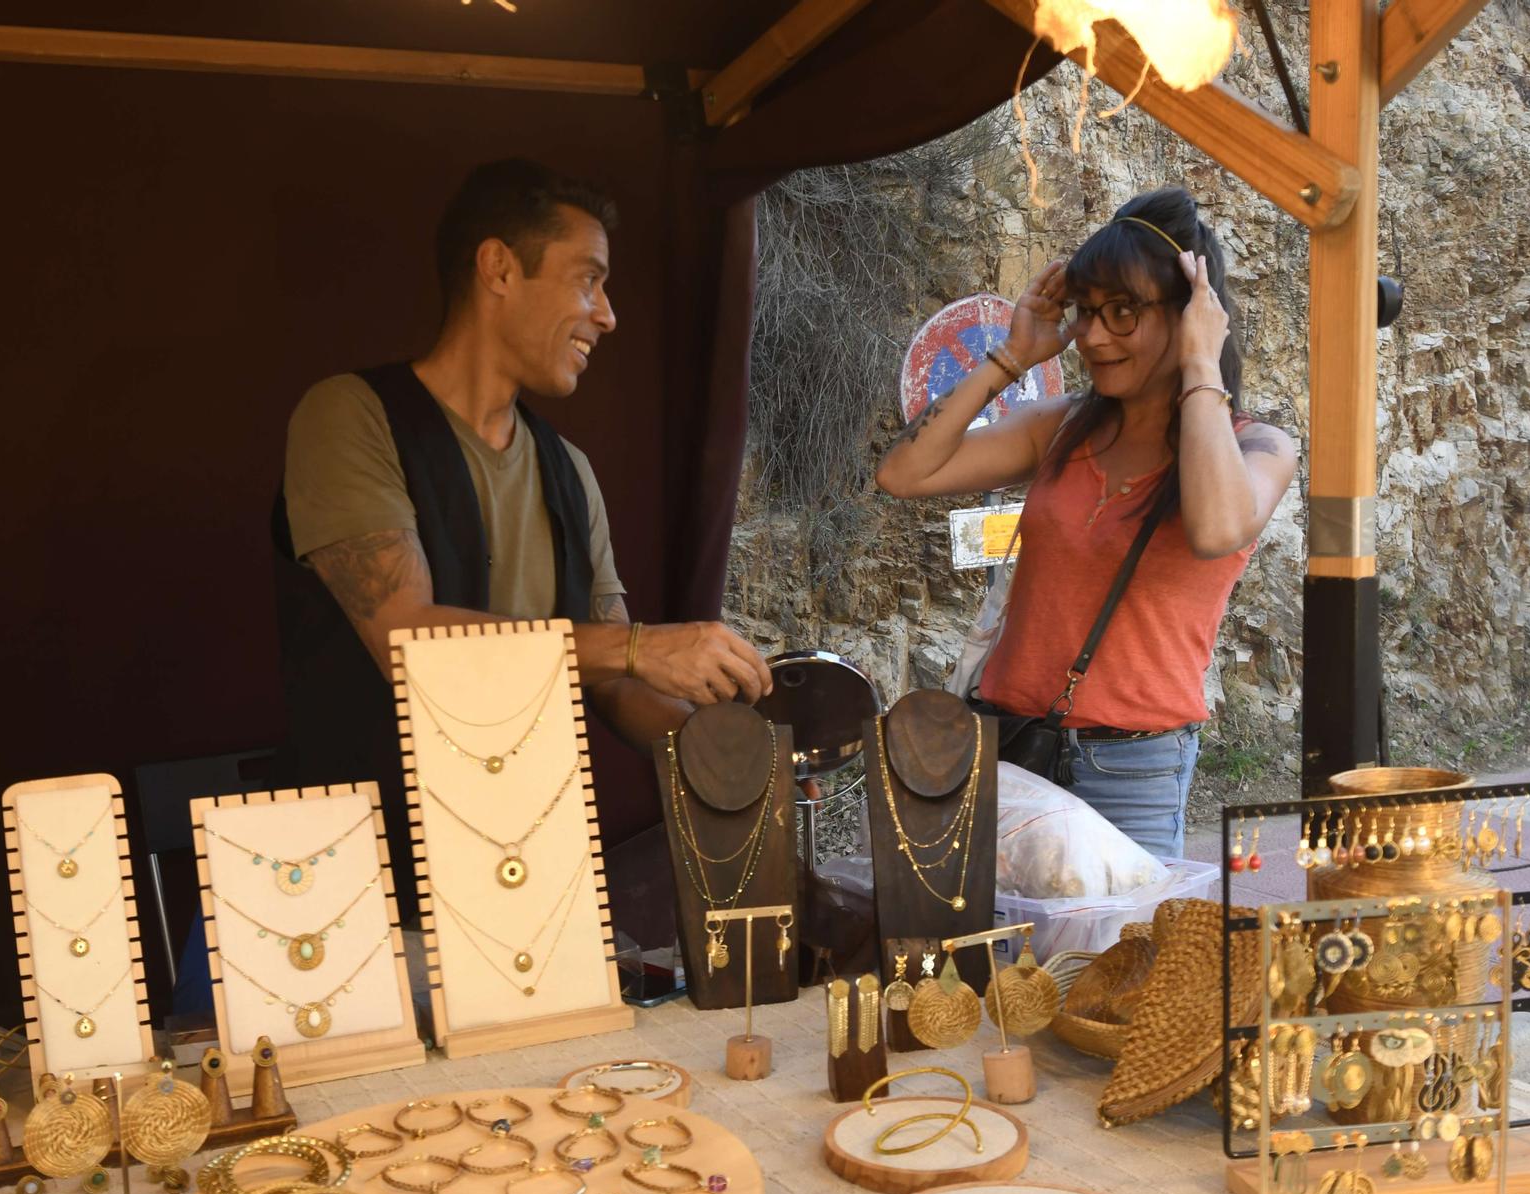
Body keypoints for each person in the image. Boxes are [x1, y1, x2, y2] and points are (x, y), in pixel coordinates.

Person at [271, 159, 770, 896]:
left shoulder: (568, 469)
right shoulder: (348, 415)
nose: (607, 314)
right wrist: (638, 647)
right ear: (499, 269)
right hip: (366, 889)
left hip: (529, 882)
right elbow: (405, 638)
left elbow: (617, 686)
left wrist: (734, 755)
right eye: (588, 279)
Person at [875, 187, 1297, 858]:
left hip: (1133, 772)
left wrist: (1198, 363)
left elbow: (1216, 530)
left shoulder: (1258, 447)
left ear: (1191, 314)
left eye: (1123, 312)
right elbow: (904, 473)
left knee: (1112, 962)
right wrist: (1012, 356)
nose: (1095, 336)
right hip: (1010, 747)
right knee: (997, 961)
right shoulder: (1063, 426)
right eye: (1088, 311)